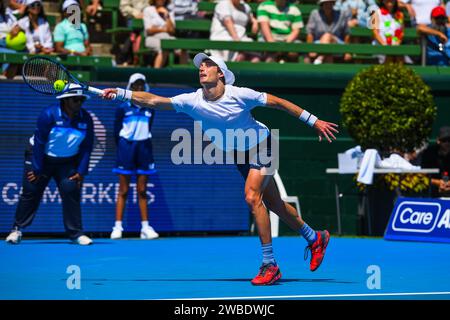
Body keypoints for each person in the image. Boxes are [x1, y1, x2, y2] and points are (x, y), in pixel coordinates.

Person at [102, 53, 338, 285]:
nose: (202, 68)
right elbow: (154, 100)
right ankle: (315, 238)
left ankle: (270, 265)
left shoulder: (241, 95)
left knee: (252, 197)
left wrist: (313, 120)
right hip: (239, 153)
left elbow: (279, 103)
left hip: (262, 145)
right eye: (200, 65)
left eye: (208, 64)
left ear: (221, 74)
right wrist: (122, 94)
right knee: (275, 205)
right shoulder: (192, 100)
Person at [5, 85, 94, 245]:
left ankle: (76, 234)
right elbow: (39, 143)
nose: (79, 102)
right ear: (65, 100)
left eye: (82, 99)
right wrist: (37, 168)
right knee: (31, 190)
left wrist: (81, 171)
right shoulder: (48, 114)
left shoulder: (86, 118)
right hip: (41, 157)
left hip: (66, 161)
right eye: (76, 99)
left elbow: (87, 146)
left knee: (71, 189)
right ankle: (16, 229)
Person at [111, 73, 159, 240]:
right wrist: (126, 145)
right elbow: (116, 132)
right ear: (130, 87)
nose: (138, 88)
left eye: (141, 85)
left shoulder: (150, 109)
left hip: (144, 148)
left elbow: (149, 128)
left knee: (142, 190)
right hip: (126, 148)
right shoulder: (122, 107)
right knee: (123, 190)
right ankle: (117, 227)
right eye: (135, 85)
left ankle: (145, 227)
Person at [143, 0, 188, 68]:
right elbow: (149, 30)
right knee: (164, 48)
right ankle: (156, 74)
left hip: (168, 37)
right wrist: (164, 29)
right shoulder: (148, 10)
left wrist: (167, 15)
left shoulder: (169, 11)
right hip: (152, 38)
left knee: (183, 49)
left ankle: (183, 74)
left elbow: (172, 30)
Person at [305, 0, 352, 64]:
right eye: (326, 3)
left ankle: (320, 58)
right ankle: (324, 71)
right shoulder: (315, 14)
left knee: (327, 36)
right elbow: (310, 33)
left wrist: (347, 51)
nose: (328, 5)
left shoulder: (341, 14)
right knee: (328, 55)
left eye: (330, 3)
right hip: (318, 44)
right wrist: (310, 49)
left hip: (337, 44)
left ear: (333, 4)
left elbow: (347, 34)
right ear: (322, 4)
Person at [421, 126, 450, 197]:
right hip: (433, 191)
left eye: (449, 140)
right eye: (444, 140)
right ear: (438, 141)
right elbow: (422, 176)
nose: (447, 143)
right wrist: (438, 182)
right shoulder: (428, 154)